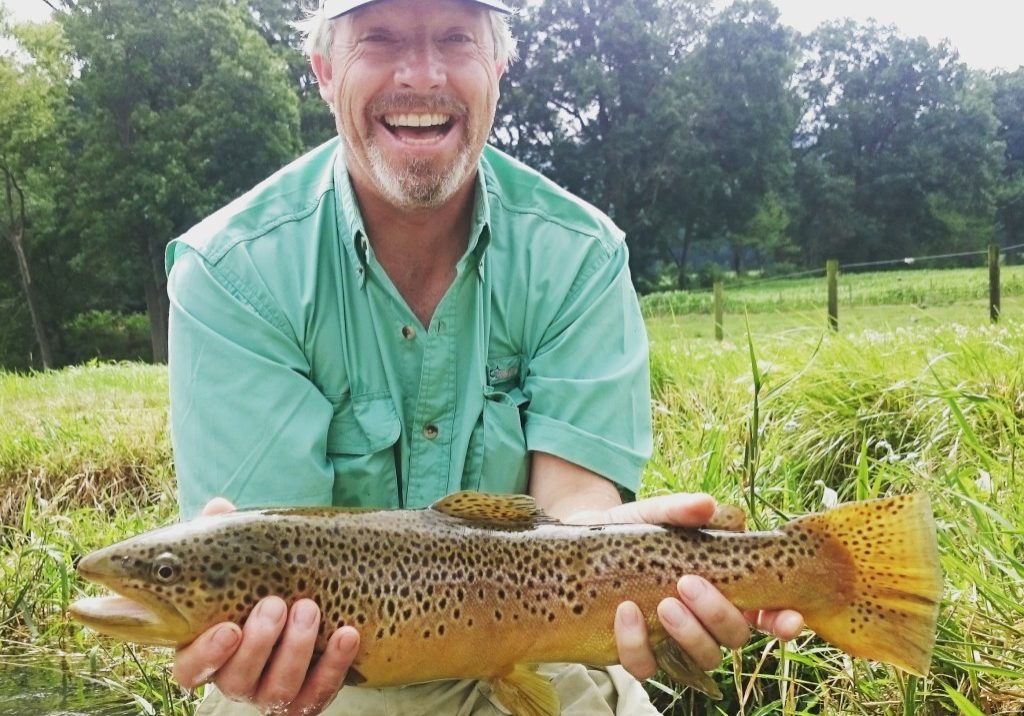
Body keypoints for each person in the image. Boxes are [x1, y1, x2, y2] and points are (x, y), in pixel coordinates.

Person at [164, 0, 803, 714]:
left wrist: (651, 562)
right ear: (322, 69)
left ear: (497, 65)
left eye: (456, 38)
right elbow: (269, 570)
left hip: (544, 647)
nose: (422, 74)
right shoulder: (232, 272)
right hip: (324, 680)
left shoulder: (579, 255)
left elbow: (574, 519)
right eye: (380, 38)